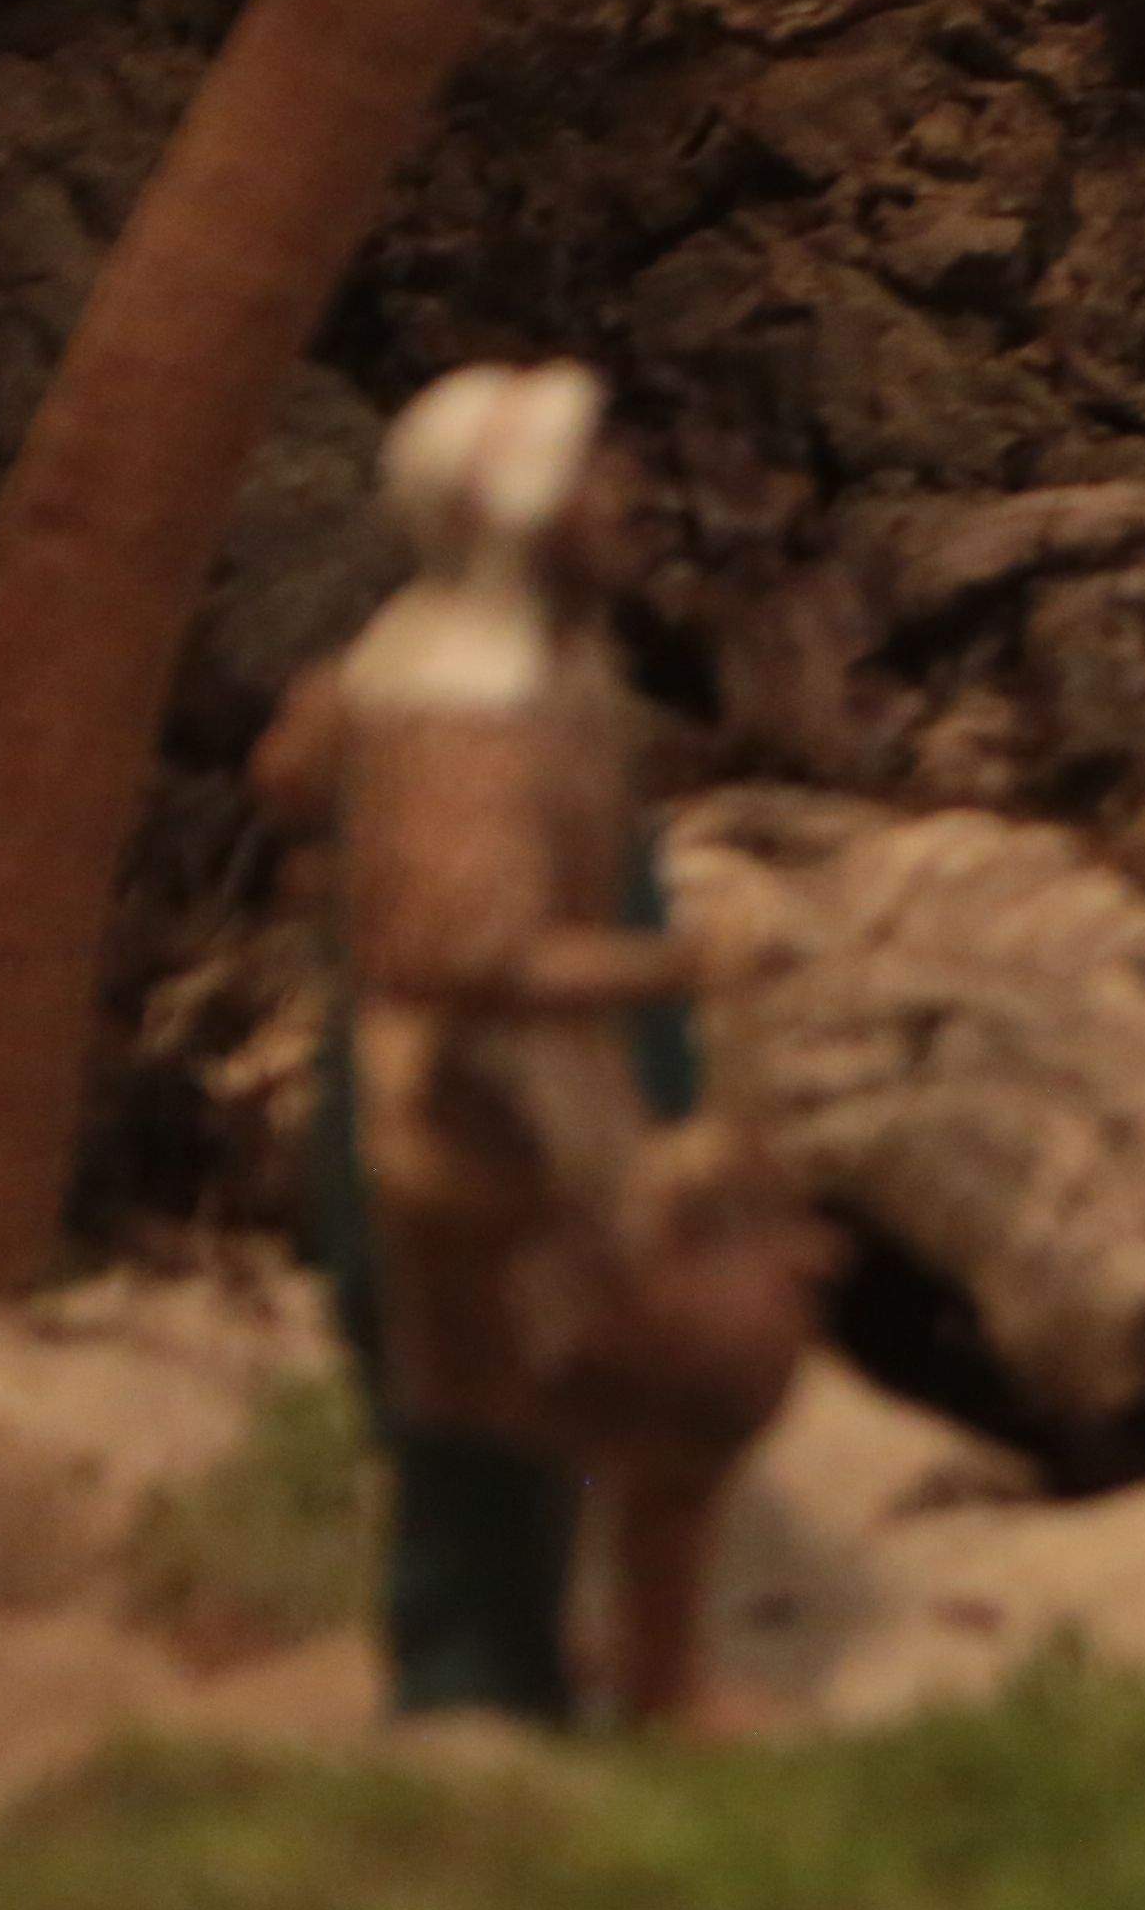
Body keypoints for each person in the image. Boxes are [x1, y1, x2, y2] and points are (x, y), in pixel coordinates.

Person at [261, 365, 824, 1729]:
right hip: (484, 1106)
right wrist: (694, 960)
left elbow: (291, 773)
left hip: (571, 1079)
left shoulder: (518, 663)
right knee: (492, 1412)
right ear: (514, 516)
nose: (621, 491)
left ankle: (636, 1674)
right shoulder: (465, 711)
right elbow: (466, 957)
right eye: (585, 476)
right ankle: (481, 1700)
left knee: (605, 1397)